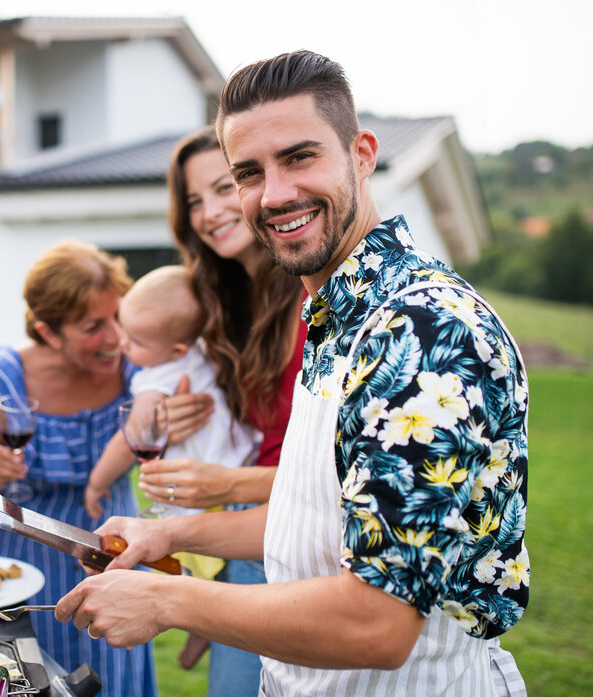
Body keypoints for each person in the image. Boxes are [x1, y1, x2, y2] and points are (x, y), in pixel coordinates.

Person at [56, 50, 529, 697]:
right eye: (248, 173)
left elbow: (377, 623)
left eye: (300, 157)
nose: (274, 194)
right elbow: (317, 516)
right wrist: (169, 531)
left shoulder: (420, 329)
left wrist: (170, 600)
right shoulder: (332, 312)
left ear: (361, 154)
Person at [0, 240, 183, 697]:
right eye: (92, 327)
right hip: (22, 569)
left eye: (116, 317)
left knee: (112, 680)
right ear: (48, 330)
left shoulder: (136, 369)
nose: (114, 337)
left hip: (112, 558)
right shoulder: (1, 380)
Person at [146, 126, 308, 690]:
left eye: (224, 187)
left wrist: (226, 485)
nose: (210, 212)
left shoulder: (314, 302)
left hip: (297, 547)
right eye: (193, 201)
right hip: (249, 542)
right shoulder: (223, 307)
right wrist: (165, 414)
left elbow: (331, 474)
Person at [84, 264, 261, 525]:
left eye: (137, 341)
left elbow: (135, 436)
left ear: (177, 350)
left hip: (202, 487)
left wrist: (97, 484)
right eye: (125, 329)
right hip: (241, 466)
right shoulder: (202, 350)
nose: (122, 343)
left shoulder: (160, 376)